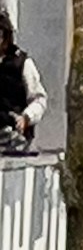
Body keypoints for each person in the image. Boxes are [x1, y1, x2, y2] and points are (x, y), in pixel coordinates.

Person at [0, 10, 35, 157]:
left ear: (5, 38)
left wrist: (26, 118)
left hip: (15, 130)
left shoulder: (22, 63)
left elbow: (39, 99)